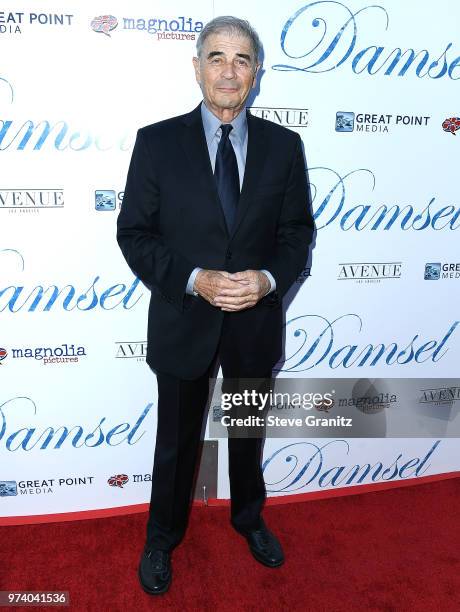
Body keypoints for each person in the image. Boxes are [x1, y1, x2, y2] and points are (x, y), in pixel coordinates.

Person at [116, 15, 314, 596]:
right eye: (217, 58)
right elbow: (135, 233)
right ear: (197, 66)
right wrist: (195, 278)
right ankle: (161, 537)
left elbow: (297, 232)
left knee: (247, 431)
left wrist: (269, 280)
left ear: (256, 74)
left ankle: (249, 518)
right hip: (184, 320)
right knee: (176, 441)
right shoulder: (157, 141)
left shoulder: (285, 146)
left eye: (242, 60)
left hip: (254, 322)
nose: (229, 71)